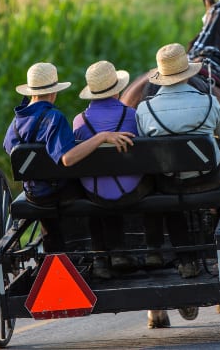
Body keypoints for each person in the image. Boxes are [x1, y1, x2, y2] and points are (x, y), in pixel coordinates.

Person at [3, 62, 135, 253]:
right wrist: (101, 137)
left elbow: (9, 148)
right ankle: (101, 251)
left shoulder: (16, 122)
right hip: (58, 192)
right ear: (53, 92)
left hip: (33, 193)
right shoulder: (54, 118)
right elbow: (67, 159)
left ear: (31, 92)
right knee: (89, 188)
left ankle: (61, 252)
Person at [136, 43, 220, 279]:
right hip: (209, 179)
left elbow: (142, 144)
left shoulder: (145, 109)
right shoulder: (209, 101)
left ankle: (187, 261)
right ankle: (216, 236)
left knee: (168, 194)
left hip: (171, 182)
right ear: (188, 72)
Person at [72, 60, 152, 279]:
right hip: (131, 190)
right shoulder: (132, 115)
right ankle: (150, 248)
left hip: (95, 192)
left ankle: (102, 257)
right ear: (117, 90)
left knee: (95, 187)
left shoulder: (79, 122)